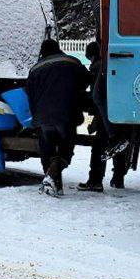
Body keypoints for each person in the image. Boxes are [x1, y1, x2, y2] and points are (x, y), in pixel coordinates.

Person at [24, 38, 89, 197]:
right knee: (66, 149)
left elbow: (28, 94)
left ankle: (54, 184)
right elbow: (87, 80)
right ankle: (53, 175)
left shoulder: (34, 70)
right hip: (66, 115)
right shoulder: (72, 62)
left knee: (47, 149)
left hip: (42, 117)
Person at [78, 40, 130, 192]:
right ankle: (118, 178)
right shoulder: (110, 65)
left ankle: (95, 180)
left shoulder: (96, 67)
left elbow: (96, 96)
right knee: (117, 145)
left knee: (99, 147)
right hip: (118, 110)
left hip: (104, 115)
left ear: (91, 55)